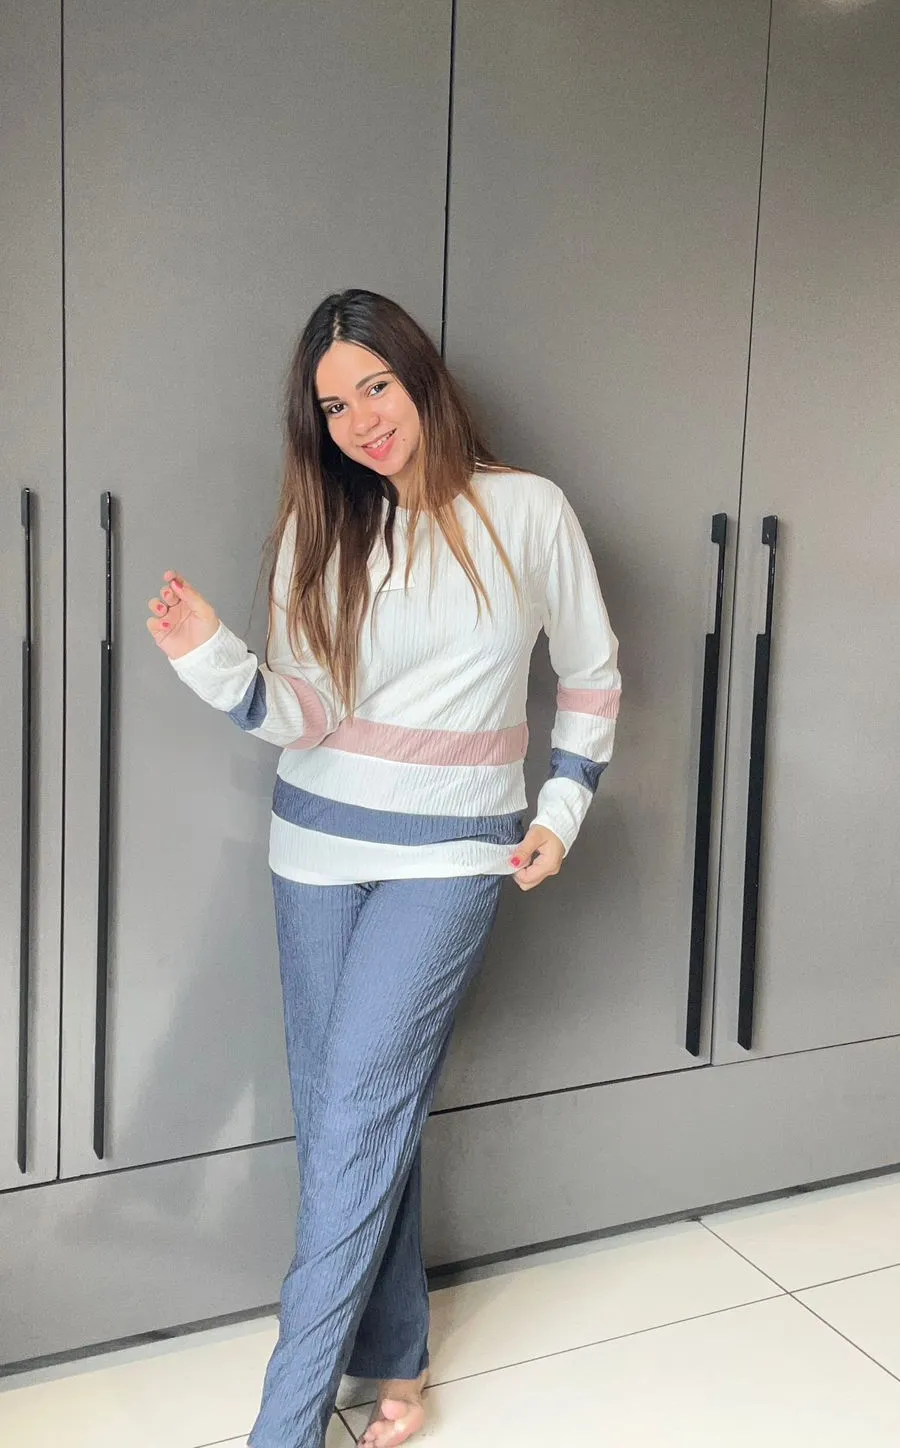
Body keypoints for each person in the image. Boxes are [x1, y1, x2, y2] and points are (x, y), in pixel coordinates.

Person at [146, 288, 621, 1448]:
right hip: (312, 852)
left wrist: (562, 809)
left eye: (376, 386)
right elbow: (303, 714)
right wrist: (214, 660)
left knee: (358, 1112)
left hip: (449, 856)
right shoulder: (321, 528)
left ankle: (285, 1425)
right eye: (333, 405)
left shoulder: (526, 510)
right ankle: (396, 1354)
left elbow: (594, 669)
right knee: (345, 1121)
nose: (361, 420)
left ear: (419, 378)